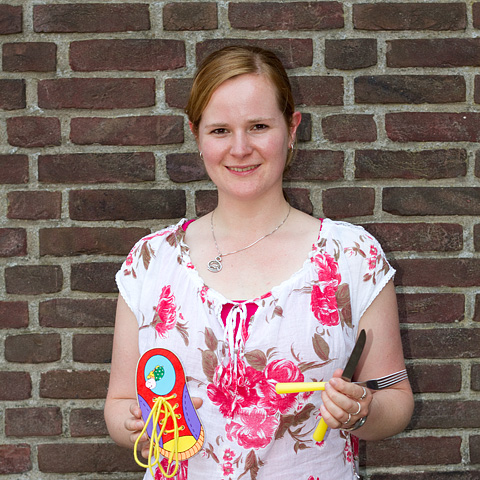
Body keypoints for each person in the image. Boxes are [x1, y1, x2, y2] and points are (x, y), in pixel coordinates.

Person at [104, 45, 414, 480]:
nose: (240, 148)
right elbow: (119, 404)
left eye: (259, 126)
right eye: (220, 130)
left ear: (292, 129)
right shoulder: (150, 260)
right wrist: (136, 425)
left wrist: (360, 411)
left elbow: (395, 399)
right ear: (196, 136)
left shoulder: (352, 256)